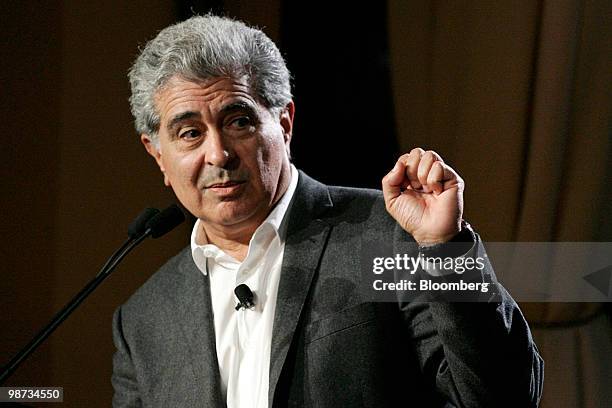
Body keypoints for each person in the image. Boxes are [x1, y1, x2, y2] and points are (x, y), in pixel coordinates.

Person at [112, 14, 544, 407]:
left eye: (238, 121)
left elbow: (502, 397)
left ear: (284, 124)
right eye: (189, 133)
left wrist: (444, 250)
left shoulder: (386, 235)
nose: (218, 153)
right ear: (157, 155)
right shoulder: (144, 319)